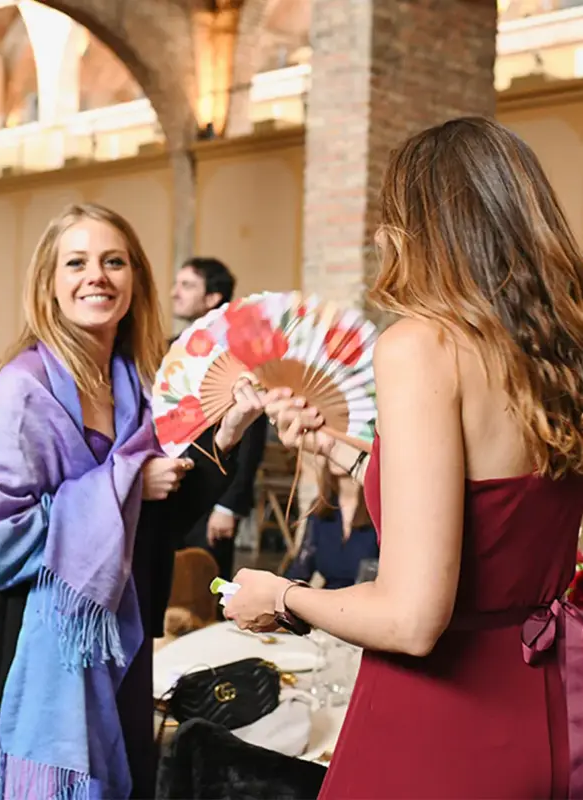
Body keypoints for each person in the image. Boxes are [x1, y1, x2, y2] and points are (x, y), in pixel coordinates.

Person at [224, 118, 583, 798]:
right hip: (543, 704)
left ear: (417, 227)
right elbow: (493, 500)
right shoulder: (558, 351)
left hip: (441, 726)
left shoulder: (422, 346)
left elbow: (411, 620)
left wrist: (283, 596)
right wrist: (343, 451)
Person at [0, 203, 267, 800]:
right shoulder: (23, 386)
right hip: (36, 651)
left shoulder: (139, 383)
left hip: (124, 637)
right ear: (50, 282)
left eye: (113, 261)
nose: (97, 275)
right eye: (77, 262)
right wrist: (122, 486)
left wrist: (225, 433)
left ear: (135, 280)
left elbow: (160, 520)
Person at [171, 257, 267, 579]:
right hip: (171, 485)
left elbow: (251, 433)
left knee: (206, 586)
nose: (174, 292)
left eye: (186, 285)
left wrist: (228, 505)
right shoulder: (172, 349)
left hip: (215, 488)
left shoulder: (238, 352)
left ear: (212, 298)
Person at [285, 456, 378, 590]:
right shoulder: (321, 510)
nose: (335, 451)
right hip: (328, 603)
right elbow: (300, 571)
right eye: (332, 445)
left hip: (367, 605)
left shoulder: (379, 511)